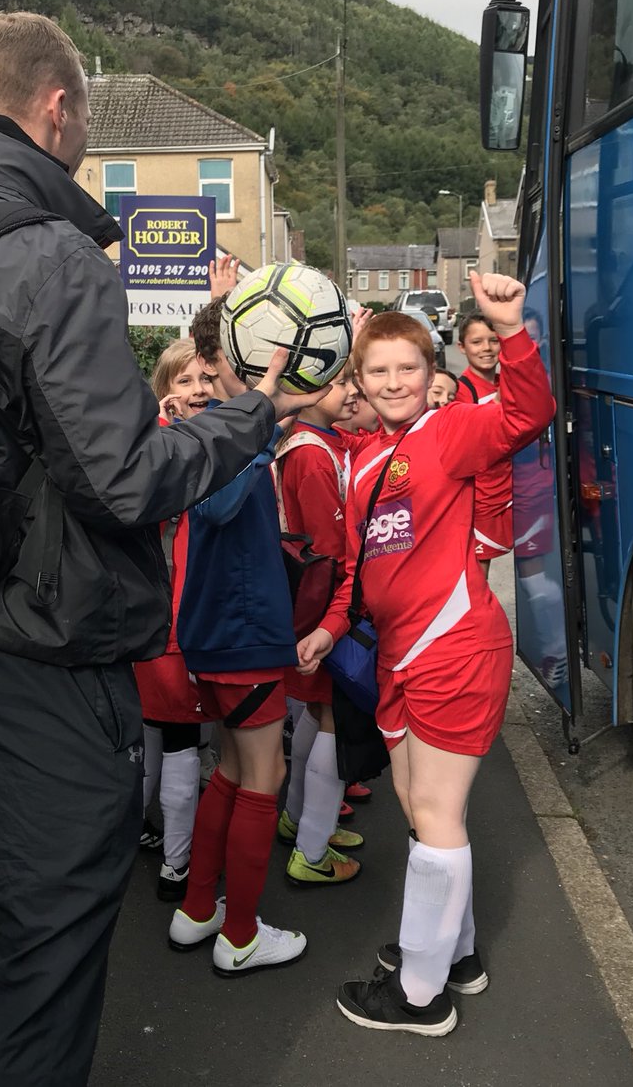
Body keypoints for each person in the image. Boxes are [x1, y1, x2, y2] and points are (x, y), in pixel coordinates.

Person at [0, 12, 325, 1086]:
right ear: (59, 108)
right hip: (39, 663)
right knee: (39, 972)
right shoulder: (50, 255)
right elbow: (124, 479)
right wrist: (247, 416)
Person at [297, 274, 555, 1036]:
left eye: (407, 367)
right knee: (420, 812)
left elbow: (527, 412)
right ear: (361, 382)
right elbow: (356, 568)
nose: (393, 382)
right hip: (399, 658)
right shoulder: (364, 458)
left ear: (429, 368)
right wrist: (330, 627)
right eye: (377, 371)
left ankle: (418, 995)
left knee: (438, 813)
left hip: (454, 648)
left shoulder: (447, 432)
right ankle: (457, 956)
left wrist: (511, 329)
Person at [167, 317, 308, 975]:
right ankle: (243, 934)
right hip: (239, 632)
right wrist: (263, 428)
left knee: (228, 768)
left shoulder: (227, 421)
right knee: (264, 776)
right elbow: (219, 504)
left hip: (219, 632)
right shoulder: (223, 428)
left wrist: (274, 417)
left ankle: (199, 911)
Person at [276, 372, 365, 886]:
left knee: (317, 709)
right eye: (340, 383)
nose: (352, 392)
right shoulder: (311, 452)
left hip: (316, 601)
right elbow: (329, 546)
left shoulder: (316, 441)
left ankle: (301, 819)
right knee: (333, 716)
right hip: (325, 603)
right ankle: (310, 848)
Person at [134, 340, 215, 899]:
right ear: (165, 391)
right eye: (184, 381)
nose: (199, 390)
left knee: (159, 738)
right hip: (170, 616)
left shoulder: (170, 441)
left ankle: (150, 841)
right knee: (175, 738)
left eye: (206, 378)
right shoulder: (164, 448)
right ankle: (177, 864)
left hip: (171, 613)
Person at [455, 313, 514, 576]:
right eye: (477, 342)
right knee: (478, 575)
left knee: (534, 570)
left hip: (516, 491)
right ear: (461, 347)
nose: (487, 349)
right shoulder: (461, 389)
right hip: (482, 498)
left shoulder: (507, 381)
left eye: (493, 340)